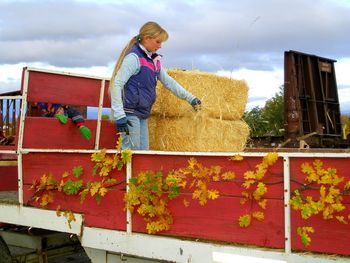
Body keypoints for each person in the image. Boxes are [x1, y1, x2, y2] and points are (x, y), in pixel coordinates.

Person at [109, 21, 201, 150]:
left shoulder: (153, 61)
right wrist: (119, 115)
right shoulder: (134, 58)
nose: (160, 46)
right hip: (129, 112)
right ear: (147, 38)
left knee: (144, 152)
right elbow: (117, 84)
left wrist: (191, 98)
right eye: (158, 42)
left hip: (142, 113)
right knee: (131, 152)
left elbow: (169, 82)